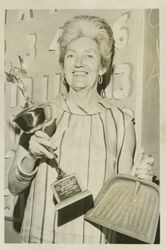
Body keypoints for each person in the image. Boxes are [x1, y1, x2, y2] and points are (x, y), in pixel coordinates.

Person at [8, 15, 154, 243]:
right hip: (40, 239)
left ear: (102, 68)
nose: (79, 63)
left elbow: (125, 205)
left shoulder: (122, 122)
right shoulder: (40, 115)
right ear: (63, 66)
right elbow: (14, 187)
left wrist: (138, 183)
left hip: (95, 241)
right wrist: (31, 158)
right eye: (71, 55)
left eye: (89, 56)